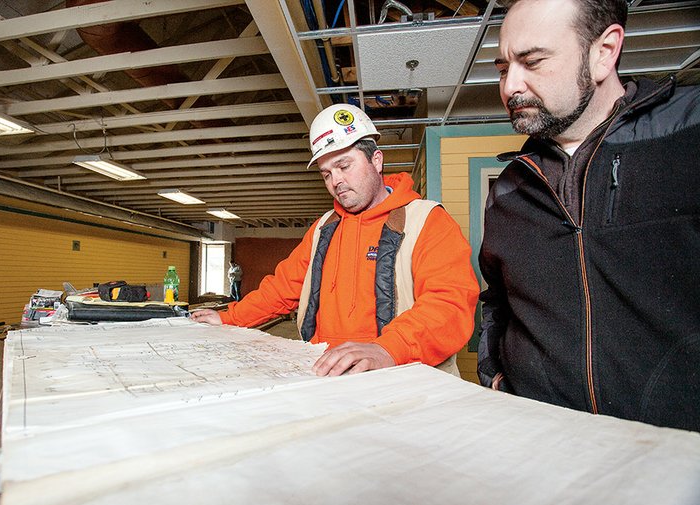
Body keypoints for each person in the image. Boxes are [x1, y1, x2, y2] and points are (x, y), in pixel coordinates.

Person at [479, 0, 700, 431]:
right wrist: (497, 378)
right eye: (504, 68)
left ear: (604, 51)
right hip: (544, 444)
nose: (510, 87)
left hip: (678, 458)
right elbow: (499, 302)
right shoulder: (509, 188)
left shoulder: (688, 139)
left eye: (533, 62)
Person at [193, 103, 479, 377]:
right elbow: (281, 289)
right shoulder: (323, 229)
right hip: (326, 374)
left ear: (376, 160)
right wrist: (229, 317)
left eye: (344, 166)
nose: (336, 181)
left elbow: (449, 304)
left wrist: (387, 349)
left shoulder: (426, 221)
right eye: (327, 173)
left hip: (401, 376)